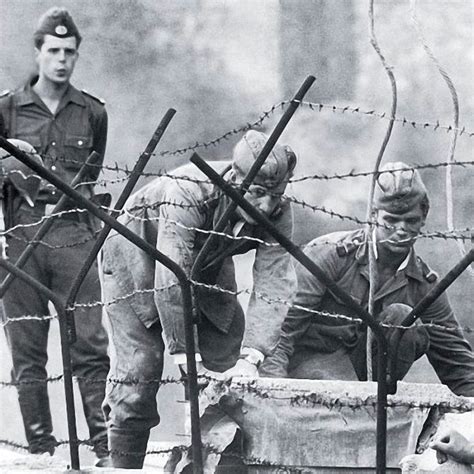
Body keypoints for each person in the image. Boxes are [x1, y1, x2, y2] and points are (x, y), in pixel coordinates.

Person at [101, 130, 297, 468]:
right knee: (141, 367)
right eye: (258, 193)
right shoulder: (190, 192)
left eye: (275, 194)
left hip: (208, 262)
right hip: (137, 258)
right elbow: (172, 274)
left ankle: (215, 463)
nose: (266, 205)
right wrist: (184, 353)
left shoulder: (278, 211)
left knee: (228, 369)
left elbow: (275, 282)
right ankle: (124, 464)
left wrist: (252, 355)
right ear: (235, 177)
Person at [0, 7, 110, 464]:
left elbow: (94, 171)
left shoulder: (92, 112)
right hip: (21, 239)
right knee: (27, 351)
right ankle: (42, 451)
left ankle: (105, 446)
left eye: (70, 52)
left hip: (72, 237)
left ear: (76, 55)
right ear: (38, 52)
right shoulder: (6, 109)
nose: (61, 60)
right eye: (54, 51)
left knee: (89, 344)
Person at [261, 162, 474, 397]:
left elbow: (458, 366)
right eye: (391, 220)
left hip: (369, 380)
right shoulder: (331, 255)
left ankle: (372, 409)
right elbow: (282, 331)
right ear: (373, 216)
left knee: (403, 317)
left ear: (423, 219)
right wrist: (274, 392)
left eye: (411, 221)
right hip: (308, 367)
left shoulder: (424, 285)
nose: (401, 230)